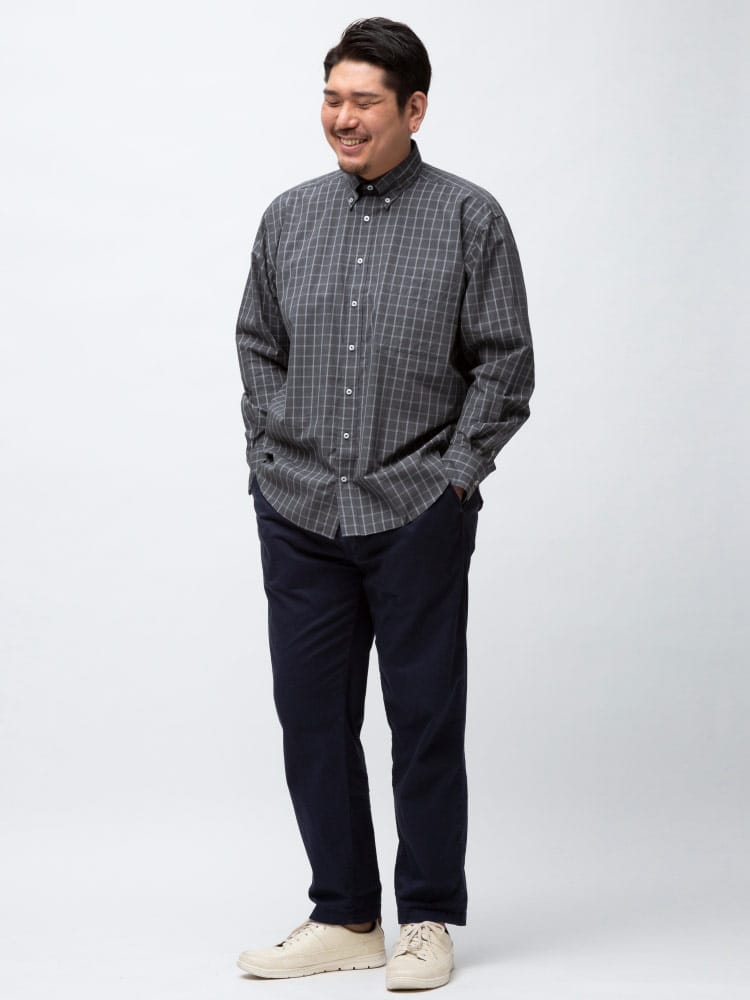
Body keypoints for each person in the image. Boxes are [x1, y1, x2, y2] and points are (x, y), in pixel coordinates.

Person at [234, 17, 534, 991]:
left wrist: (457, 478)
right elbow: (257, 344)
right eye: (332, 98)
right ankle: (347, 915)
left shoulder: (469, 218)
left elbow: (504, 361)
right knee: (312, 718)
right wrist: (267, 455)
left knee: (423, 719)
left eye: (365, 101)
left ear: (414, 109)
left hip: (416, 507)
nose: (343, 118)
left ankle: (428, 918)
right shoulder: (287, 217)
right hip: (300, 510)